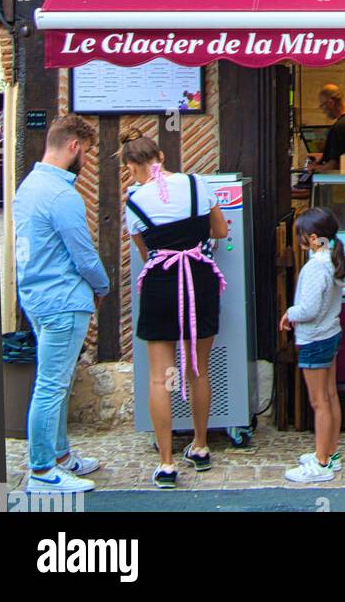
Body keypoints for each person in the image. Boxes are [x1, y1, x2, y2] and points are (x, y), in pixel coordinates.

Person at [122, 131, 228, 488]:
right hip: (199, 279)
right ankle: (200, 446)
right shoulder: (197, 184)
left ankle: (166, 463)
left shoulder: (134, 201)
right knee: (198, 369)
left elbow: (144, 252)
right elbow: (221, 230)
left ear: (132, 167)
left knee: (161, 377)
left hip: (162, 285)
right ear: (162, 156)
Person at [13, 113, 109, 495]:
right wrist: (102, 286)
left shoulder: (29, 186)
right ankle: (41, 470)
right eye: (85, 151)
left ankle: (61, 456)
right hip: (63, 298)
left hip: (37, 294)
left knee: (56, 381)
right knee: (52, 385)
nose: (86, 159)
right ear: (73, 147)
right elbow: (83, 254)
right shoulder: (62, 194)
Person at [280, 207, 345, 485]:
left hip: (315, 338)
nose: (299, 241)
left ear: (313, 237)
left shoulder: (315, 268)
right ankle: (330, 453)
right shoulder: (332, 261)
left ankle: (320, 462)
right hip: (330, 333)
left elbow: (308, 308)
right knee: (330, 396)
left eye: (301, 236)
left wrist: (289, 314)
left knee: (318, 402)